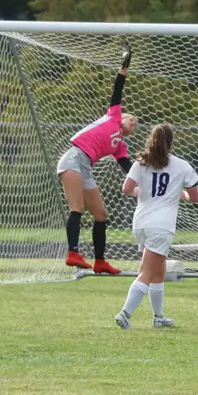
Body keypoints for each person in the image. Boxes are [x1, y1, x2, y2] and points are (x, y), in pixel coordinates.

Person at [56, 44, 138, 275]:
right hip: (74, 158)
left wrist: (143, 179)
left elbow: (127, 167)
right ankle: (73, 253)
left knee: (101, 215)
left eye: (136, 125)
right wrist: (124, 65)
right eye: (132, 119)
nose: (134, 123)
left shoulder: (120, 145)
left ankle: (100, 262)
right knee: (77, 208)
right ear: (122, 117)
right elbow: (117, 89)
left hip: (87, 168)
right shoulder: (113, 116)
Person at [115, 123, 198, 329]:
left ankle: (158, 317)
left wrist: (142, 191)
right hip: (161, 226)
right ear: (171, 143)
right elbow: (194, 197)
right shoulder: (182, 165)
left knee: (158, 271)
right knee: (147, 273)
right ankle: (125, 313)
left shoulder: (141, 162)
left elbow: (127, 189)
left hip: (141, 222)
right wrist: (182, 194)